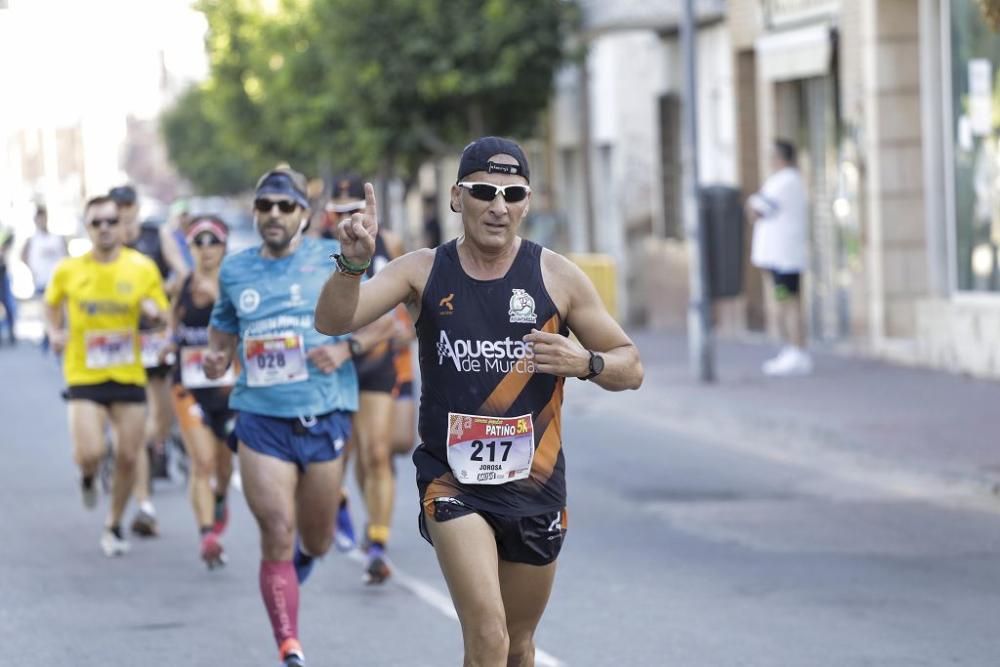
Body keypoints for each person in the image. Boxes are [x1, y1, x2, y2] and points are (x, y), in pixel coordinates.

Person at [315, 136, 644, 665]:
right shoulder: (421, 270)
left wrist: (586, 363)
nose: (499, 206)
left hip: (535, 484)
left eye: (513, 194)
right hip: (452, 482)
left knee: (517, 646)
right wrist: (352, 265)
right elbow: (332, 321)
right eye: (484, 191)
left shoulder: (555, 275)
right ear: (456, 196)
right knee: (487, 635)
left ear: (527, 202)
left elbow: (631, 366)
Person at [203, 166, 364, 667]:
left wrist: (345, 350)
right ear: (255, 212)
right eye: (265, 205)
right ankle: (289, 645)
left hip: (323, 414)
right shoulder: (234, 270)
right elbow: (222, 336)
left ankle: (300, 561)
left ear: (304, 215)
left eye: (285, 206)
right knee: (276, 528)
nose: (273, 214)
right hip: (260, 418)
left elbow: (393, 319)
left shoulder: (332, 258)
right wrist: (216, 359)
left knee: (313, 541)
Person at [44, 195, 169, 557]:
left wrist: (154, 314)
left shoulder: (141, 267)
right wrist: (54, 332)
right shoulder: (69, 270)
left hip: (128, 373)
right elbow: (52, 304)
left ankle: (113, 524)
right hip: (84, 372)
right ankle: (87, 475)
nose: (104, 228)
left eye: (111, 221)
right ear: (87, 228)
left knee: (130, 456)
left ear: (122, 225)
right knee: (90, 452)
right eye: (96, 222)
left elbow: (161, 313)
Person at [325, 174, 406, 583]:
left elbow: (398, 316)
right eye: (337, 212)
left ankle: (377, 543)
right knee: (337, 456)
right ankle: (339, 503)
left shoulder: (390, 244)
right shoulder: (316, 246)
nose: (345, 219)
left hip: (374, 360)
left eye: (353, 211)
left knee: (377, 452)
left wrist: (357, 345)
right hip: (329, 367)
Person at [162, 215, 235, 568]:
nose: (206, 250)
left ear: (224, 247)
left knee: (223, 466)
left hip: (227, 388)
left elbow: (250, 326)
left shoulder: (236, 283)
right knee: (202, 461)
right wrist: (165, 342)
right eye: (198, 242)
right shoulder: (183, 284)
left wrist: (220, 297)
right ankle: (207, 534)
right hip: (188, 385)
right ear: (189, 248)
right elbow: (170, 324)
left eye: (213, 242)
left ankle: (220, 497)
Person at [110, 184, 170, 537]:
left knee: (160, 423)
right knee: (135, 422)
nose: (124, 212)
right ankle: (144, 503)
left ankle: (136, 450)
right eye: (118, 206)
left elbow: (181, 271)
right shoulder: (107, 243)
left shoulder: (154, 235)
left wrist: (163, 293)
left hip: (155, 339)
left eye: (129, 205)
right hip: (120, 343)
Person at [746, 139, 811, 376]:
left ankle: (795, 350)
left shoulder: (786, 182)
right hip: (781, 257)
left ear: (781, 158)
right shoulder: (785, 181)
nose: (769, 161)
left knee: (788, 303)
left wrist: (752, 205)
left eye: (772, 156)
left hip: (785, 258)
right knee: (786, 302)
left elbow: (757, 209)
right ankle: (793, 350)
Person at [0, 223, 16, 345]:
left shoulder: (4, 231)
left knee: (7, 303)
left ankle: (11, 330)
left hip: (2, 272)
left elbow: (10, 238)